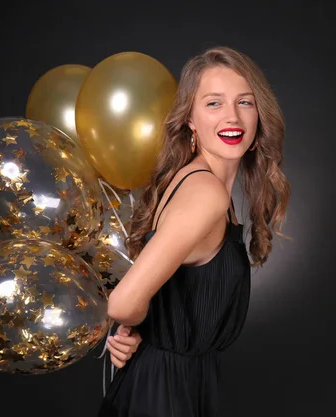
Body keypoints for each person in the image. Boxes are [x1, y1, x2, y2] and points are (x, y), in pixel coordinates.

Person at [97, 45, 290, 417]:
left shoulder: (200, 184)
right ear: (189, 118)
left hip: (174, 381)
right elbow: (123, 302)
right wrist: (137, 327)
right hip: (163, 393)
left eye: (245, 102)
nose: (232, 117)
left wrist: (142, 332)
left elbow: (167, 293)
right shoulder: (206, 195)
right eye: (213, 103)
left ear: (259, 113)